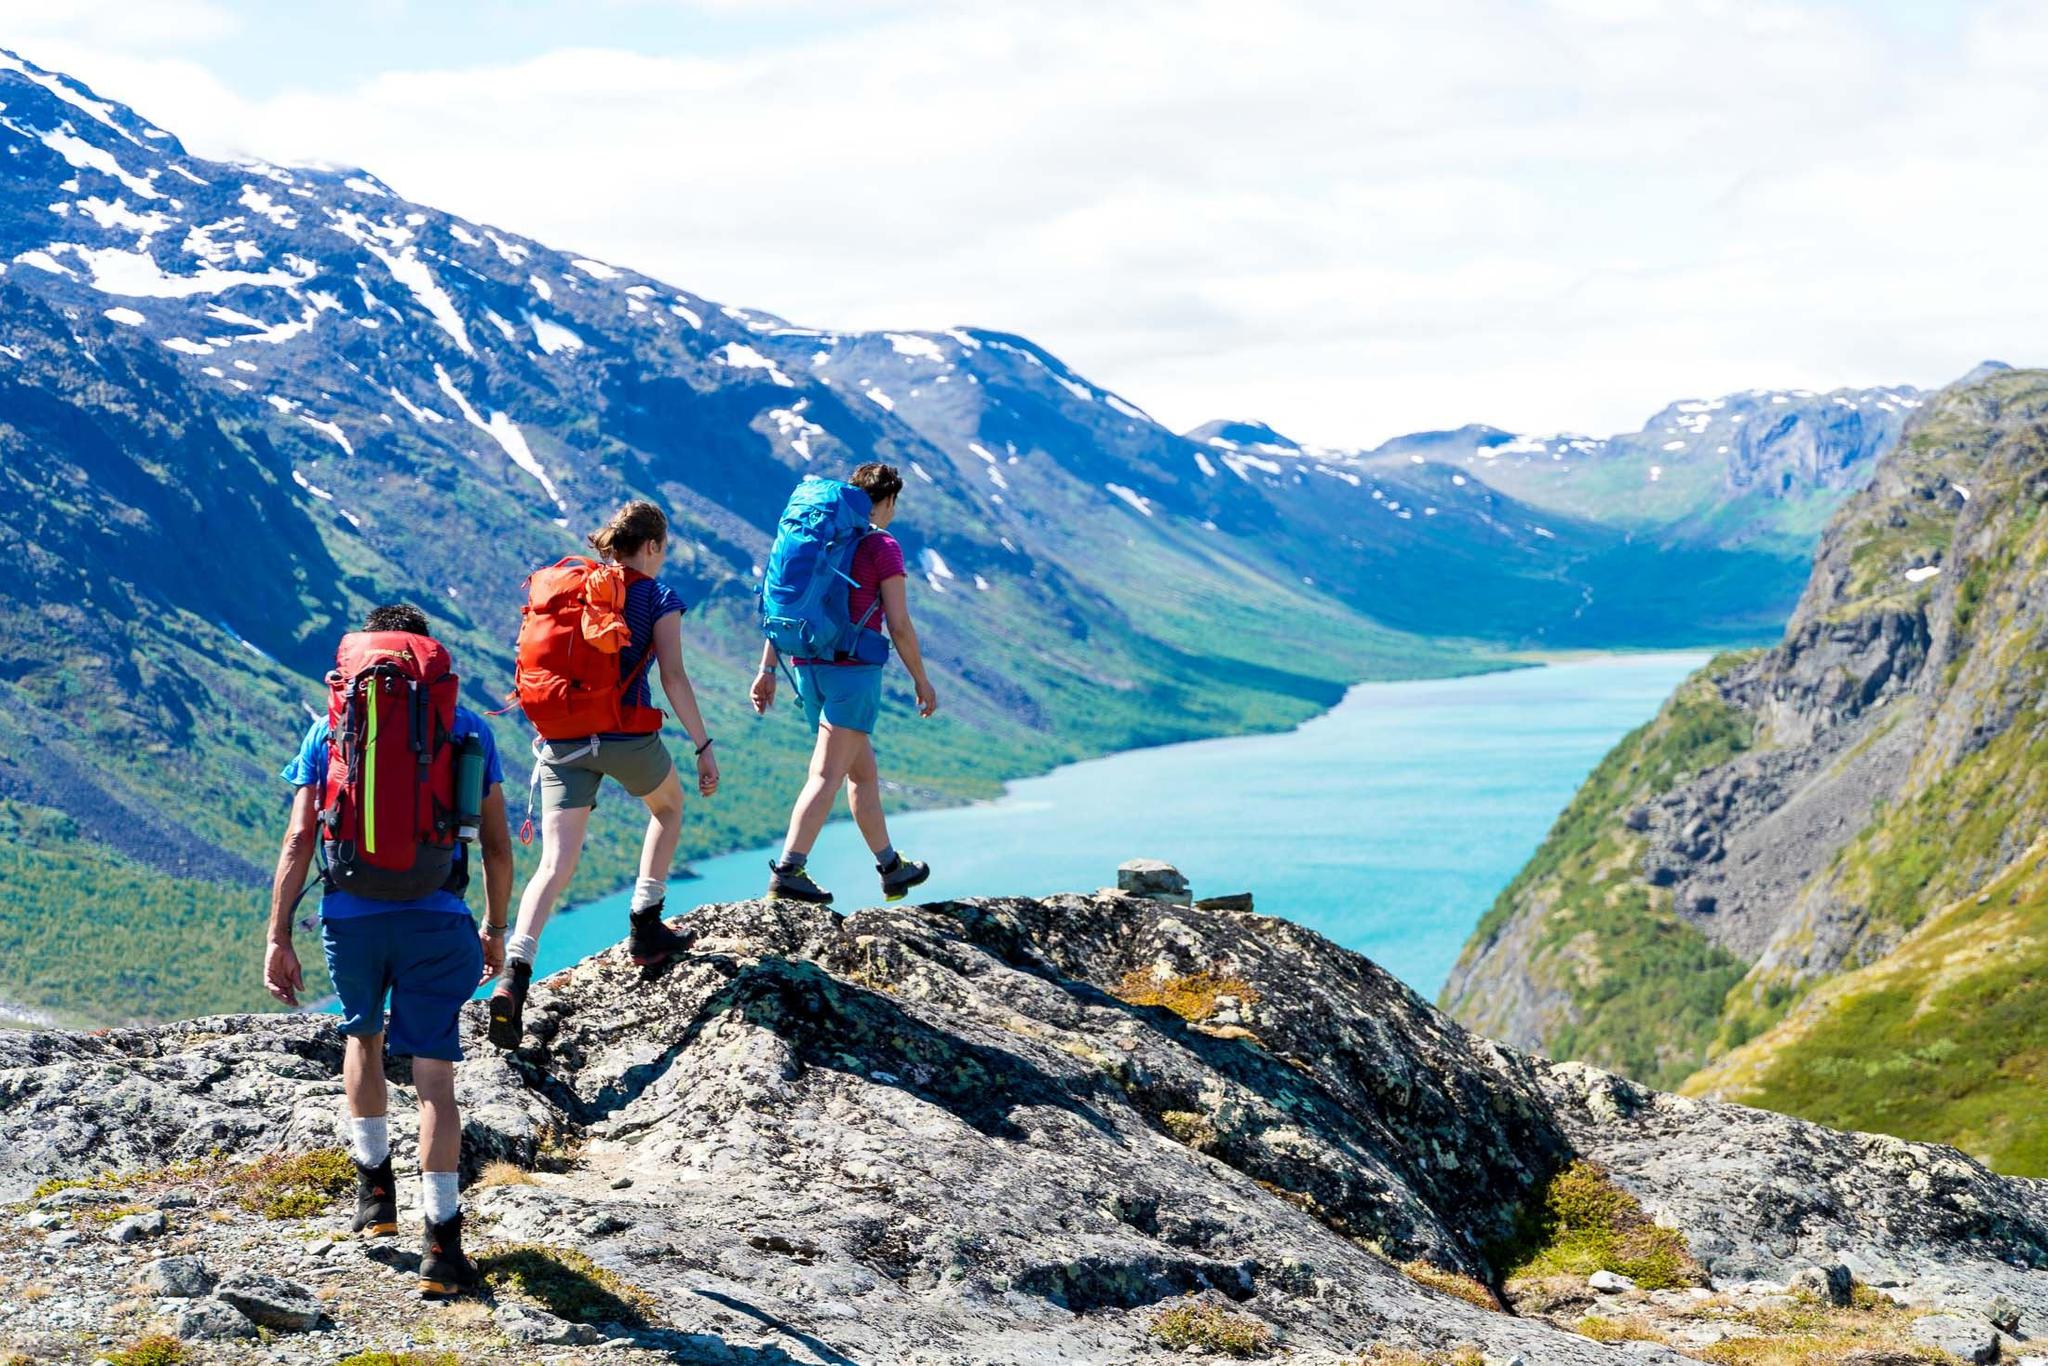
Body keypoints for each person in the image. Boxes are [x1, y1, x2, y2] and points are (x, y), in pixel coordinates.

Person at [263, 602, 511, 1298]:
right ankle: (442, 1245)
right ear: (426, 658)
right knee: (435, 1082)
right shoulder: (466, 727)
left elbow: (298, 840)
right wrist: (494, 927)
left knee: (364, 1040)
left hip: (351, 916)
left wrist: (279, 934)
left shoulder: (329, 729)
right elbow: (494, 843)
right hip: (437, 916)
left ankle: (375, 1198)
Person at [489, 500, 719, 1048]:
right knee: (667, 807)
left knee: (554, 863)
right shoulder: (657, 595)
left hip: (562, 743)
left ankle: (514, 971)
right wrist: (702, 744)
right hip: (625, 737)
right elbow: (674, 677)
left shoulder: (571, 589)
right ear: (654, 546)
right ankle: (645, 923)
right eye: (664, 549)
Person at [752, 462, 938, 904]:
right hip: (852, 675)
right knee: (826, 773)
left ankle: (891, 869)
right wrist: (921, 679)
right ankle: (789, 871)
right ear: (888, 500)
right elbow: (899, 623)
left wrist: (767, 669)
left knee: (862, 774)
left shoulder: (819, 539)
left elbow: (786, 608)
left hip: (805, 667)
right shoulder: (881, 546)